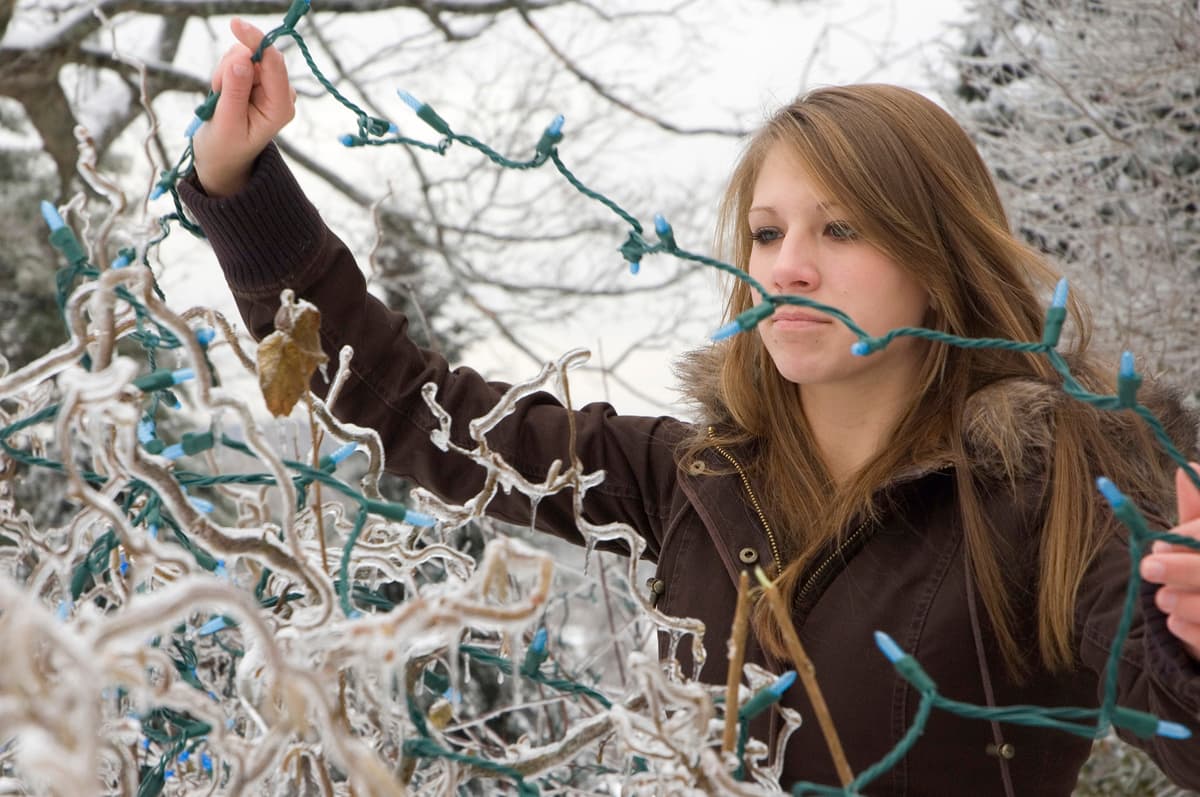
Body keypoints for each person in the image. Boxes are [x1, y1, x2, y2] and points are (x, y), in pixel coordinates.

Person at [182, 18, 1200, 795]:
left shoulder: (1056, 486)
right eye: (765, 232)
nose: (789, 265)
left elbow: (1169, 702)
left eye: (841, 228)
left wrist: (1190, 644)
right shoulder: (688, 477)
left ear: (938, 259)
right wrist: (242, 188)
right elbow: (411, 408)